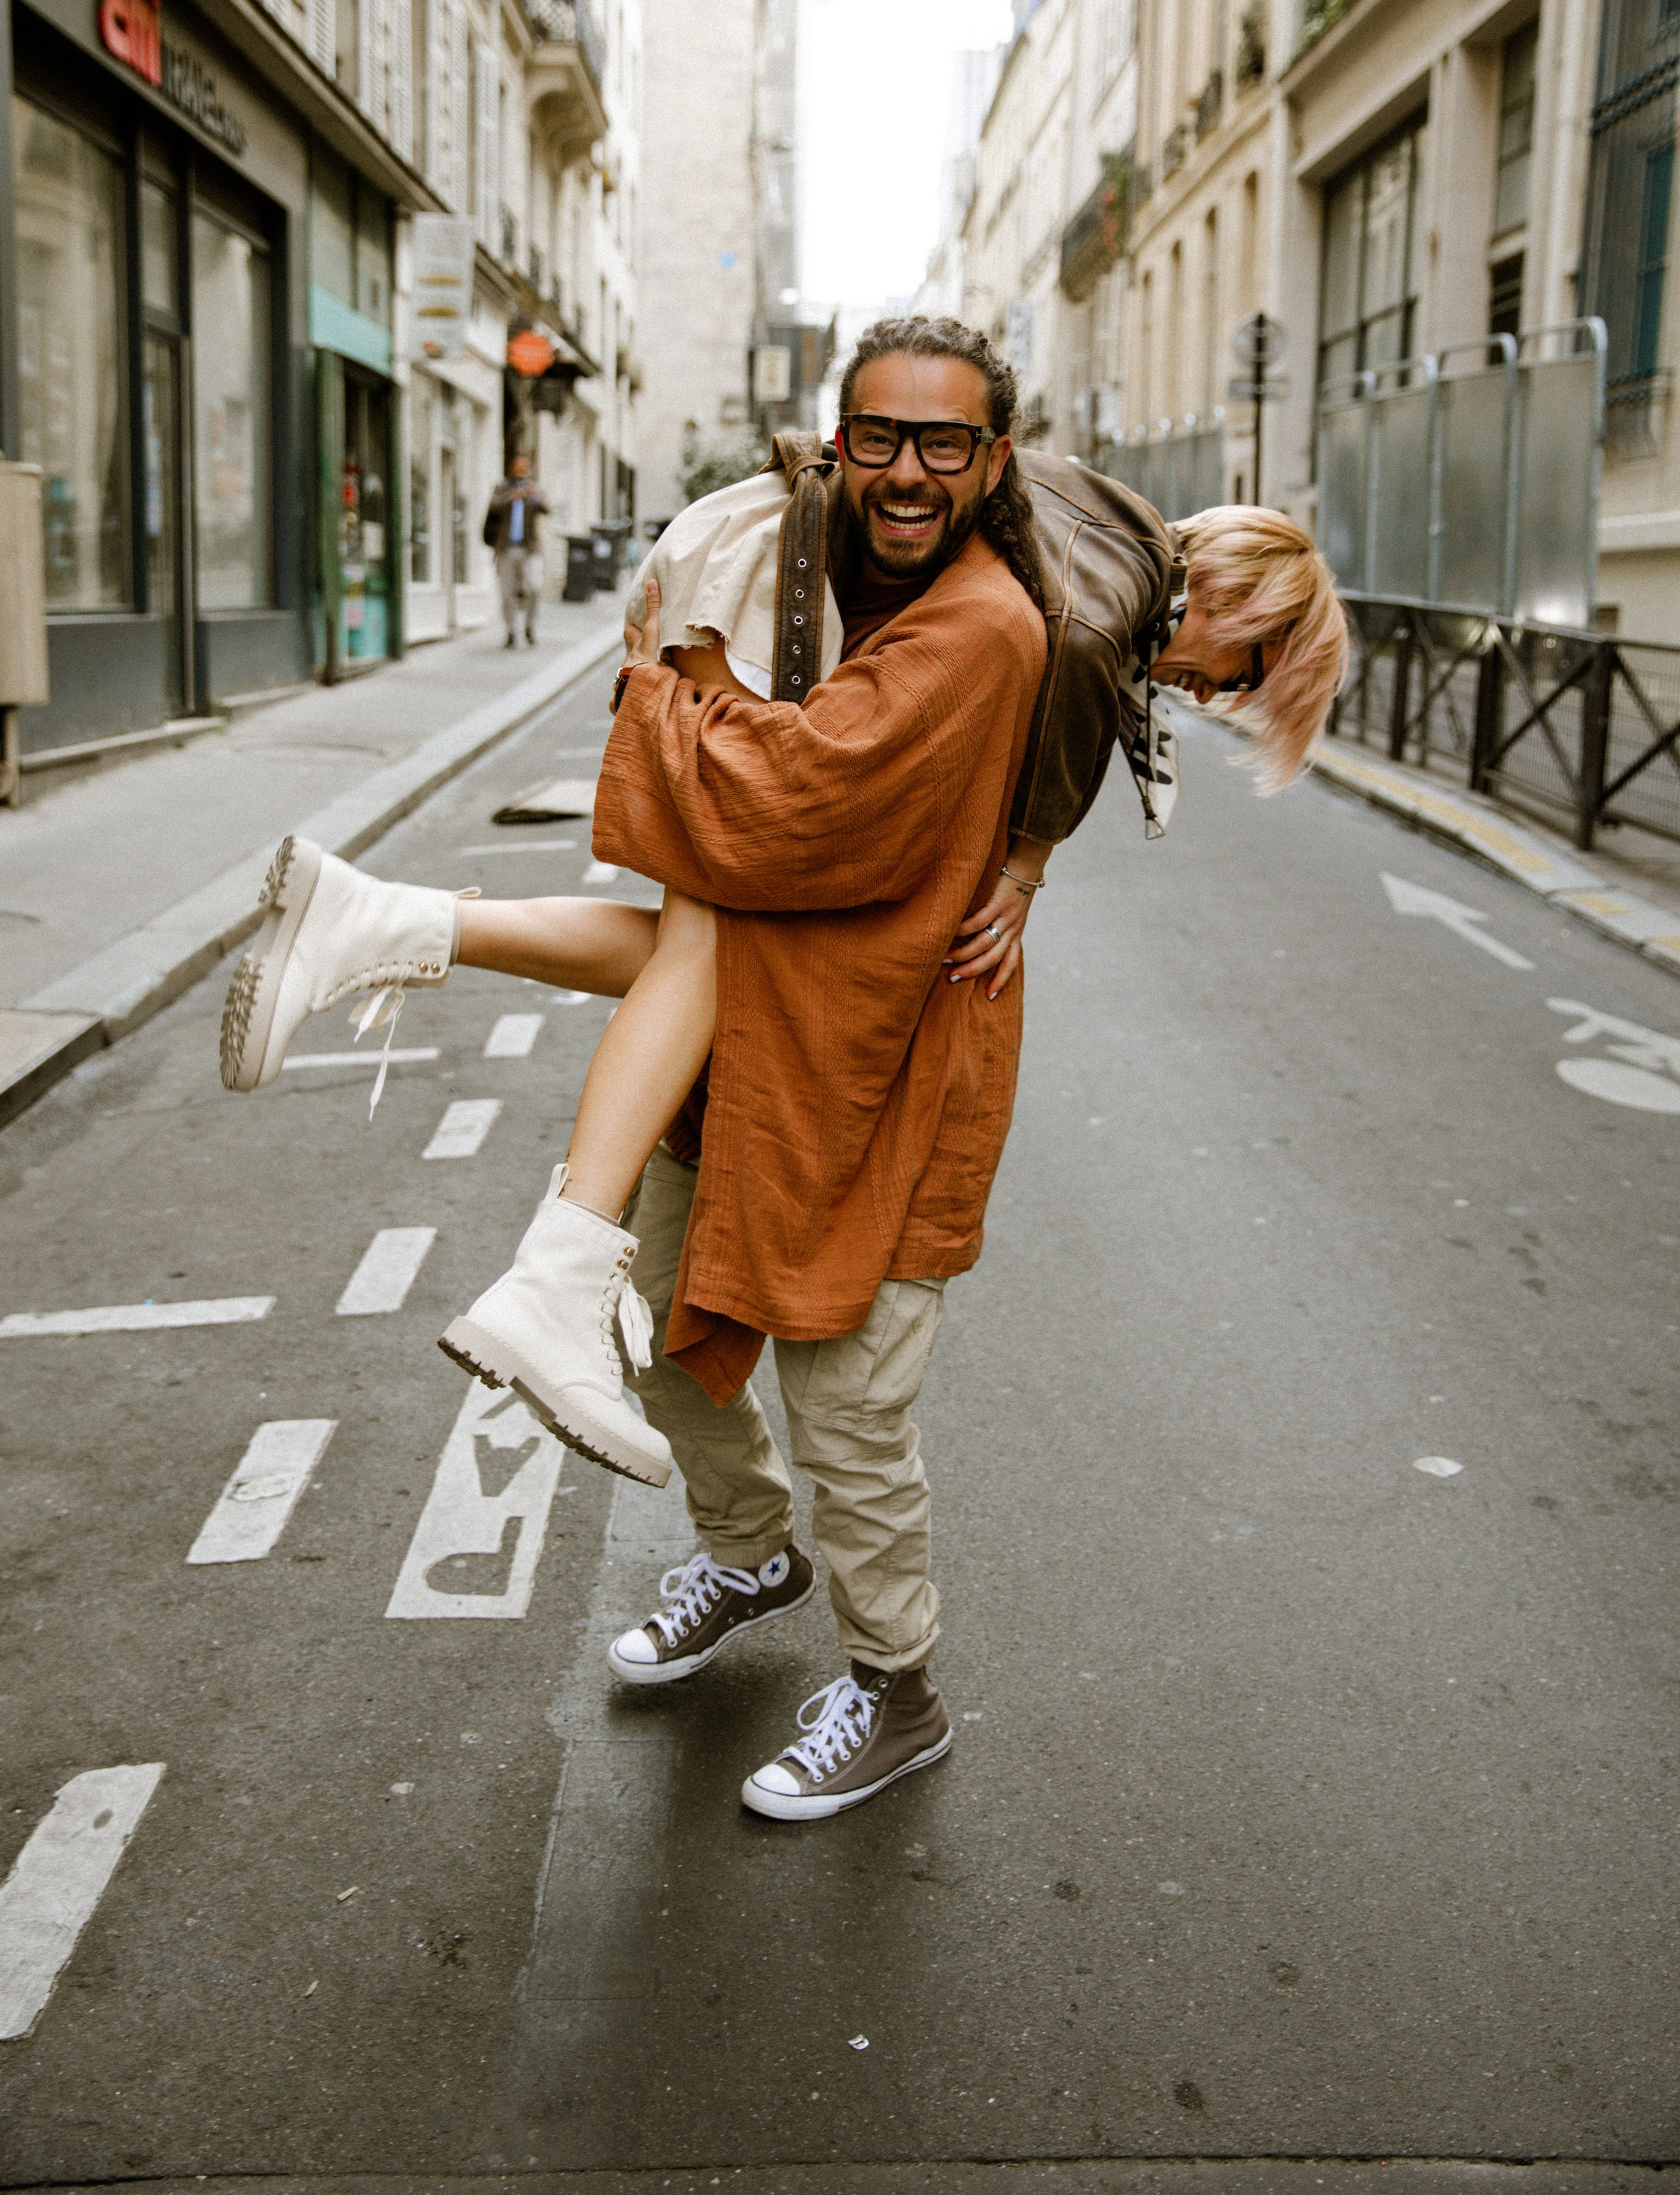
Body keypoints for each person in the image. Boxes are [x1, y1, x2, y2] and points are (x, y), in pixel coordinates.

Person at [220, 316, 1347, 1820]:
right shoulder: (1069, 603)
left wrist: (685, 700)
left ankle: (897, 1683)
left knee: (850, 1400)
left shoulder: (1034, 611)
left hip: (899, 1061)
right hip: (797, 1024)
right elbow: (844, 778)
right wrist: (703, 689)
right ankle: (746, 1550)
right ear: (1240, 601)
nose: (1215, 695)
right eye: (1243, 672)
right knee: (667, 1312)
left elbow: (883, 778)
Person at [484, 452, 547, 648]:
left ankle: (529, 627)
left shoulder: (533, 490)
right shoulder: (502, 489)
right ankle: (511, 631)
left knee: (534, 588)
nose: (521, 471)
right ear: (512, 469)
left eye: (524, 467)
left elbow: (546, 509)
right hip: (507, 548)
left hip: (529, 549)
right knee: (507, 593)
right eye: (517, 467)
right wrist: (511, 498)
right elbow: (492, 507)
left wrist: (533, 496)